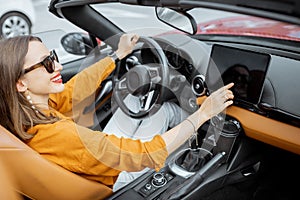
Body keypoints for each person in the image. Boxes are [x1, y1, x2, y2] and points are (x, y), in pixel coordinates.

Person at [0, 33, 234, 196]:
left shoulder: (26, 111)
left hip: (94, 168)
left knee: (138, 102)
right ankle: (201, 154)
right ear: (20, 83)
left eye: (54, 57)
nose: (58, 66)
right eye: (47, 63)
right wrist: (203, 114)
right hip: (116, 185)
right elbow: (144, 153)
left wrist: (116, 57)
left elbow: (73, 90)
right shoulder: (61, 135)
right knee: (170, 111)